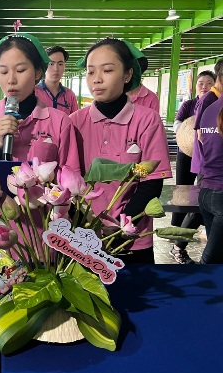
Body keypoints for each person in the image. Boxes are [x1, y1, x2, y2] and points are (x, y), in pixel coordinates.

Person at [0, 33, 80, 258]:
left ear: (38, 73)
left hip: (40, 240)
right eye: (3, 71)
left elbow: (70, 184)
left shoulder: (60, 122)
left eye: (20, 70)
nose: (11, 79)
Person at [70, 38, 172, 264]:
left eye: (107, 70)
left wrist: (120, 230)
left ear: (127, 75)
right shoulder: (74, 123)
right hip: (85, 238)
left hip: (131, 240)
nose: (96, 79)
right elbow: (68, 183)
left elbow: (151, 181)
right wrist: (86, 230)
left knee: (135, 297)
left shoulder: (146, 120)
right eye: (90, 72)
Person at [170, 70, 215, 264]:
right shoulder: (191, 104)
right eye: (201, 83)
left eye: (208, 82)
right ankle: (177, 234)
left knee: (199, 200)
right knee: (185, 194)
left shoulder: (214, 103)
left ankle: (183, 238)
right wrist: (186, 132)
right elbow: (178, 124)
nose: (204, 86)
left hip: (206, 158)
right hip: (188, 155)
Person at [197, 101, 223, 264]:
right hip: (220, 197)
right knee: (209, 261)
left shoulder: (209, 109)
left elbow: (200, 138)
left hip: (207, 190)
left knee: (216, 259)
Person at [34, 45, 79, 114]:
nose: (56, 69)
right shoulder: (34, 93)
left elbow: (75, 122)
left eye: (60, 64)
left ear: (64, 66)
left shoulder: (70, 95)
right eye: (51, 64)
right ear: (44, 66)